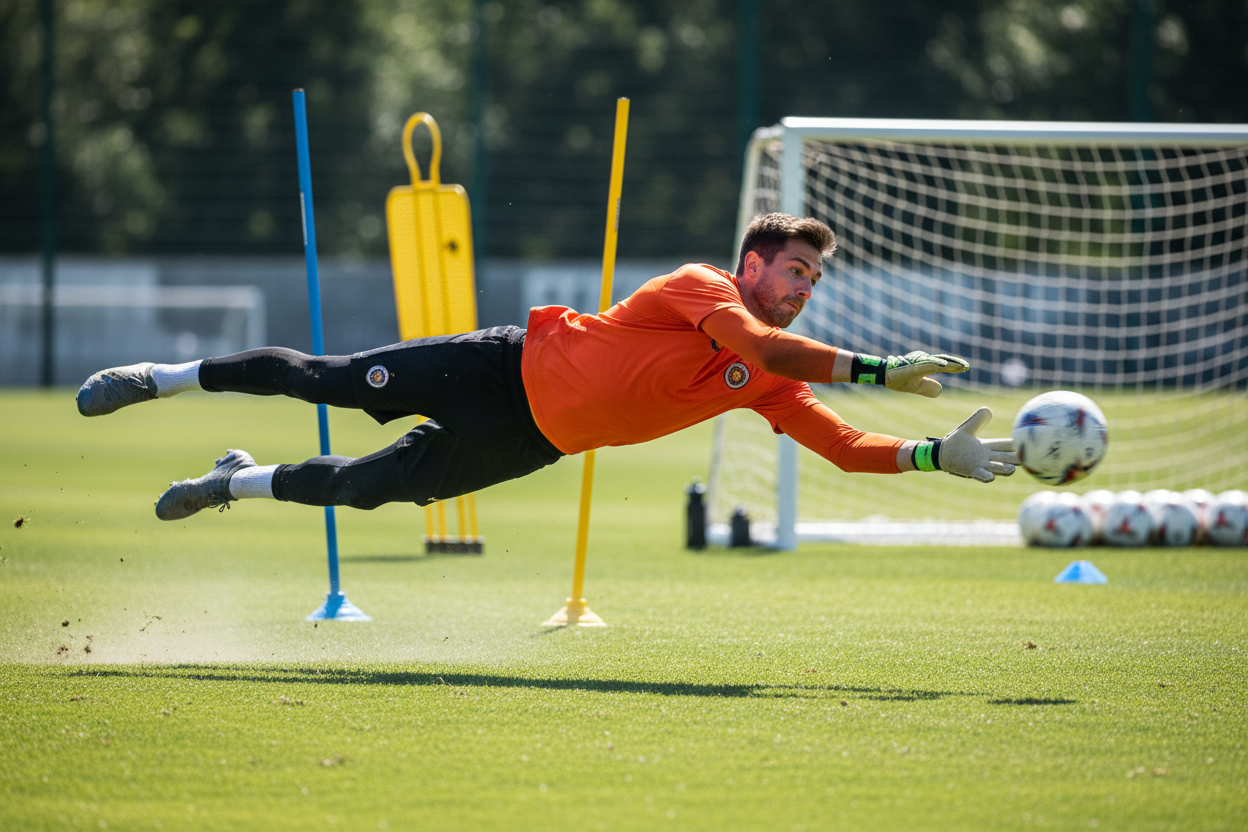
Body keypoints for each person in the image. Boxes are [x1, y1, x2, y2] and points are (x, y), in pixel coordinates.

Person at [75, 213, 1018, 521]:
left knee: (369, 491)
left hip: (536, 441)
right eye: (796, 269)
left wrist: (934, 457)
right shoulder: (703, 289)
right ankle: (156, 377)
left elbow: (847, 448)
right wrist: (882, 364)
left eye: (814, 277)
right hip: (500, 370)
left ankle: (236, 483)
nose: (805, 285)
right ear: (752, 265)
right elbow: (766, 346)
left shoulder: (776, 377)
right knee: (324, 378)